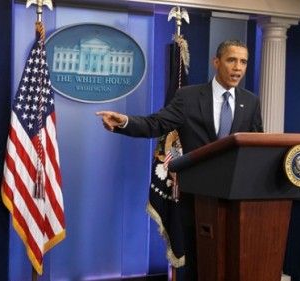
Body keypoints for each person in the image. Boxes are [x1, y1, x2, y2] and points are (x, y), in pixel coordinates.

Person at [96, 40, 263, 280]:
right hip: (195, 199)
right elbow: (157, 124)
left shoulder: (251, 102)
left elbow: (254, 146)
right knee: (195, 267)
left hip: (233, 202)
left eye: (243, 61)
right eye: (231, 60)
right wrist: (124, 121)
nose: (238, 67)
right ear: (216, 62)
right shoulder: (189, 96)